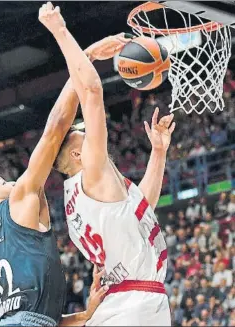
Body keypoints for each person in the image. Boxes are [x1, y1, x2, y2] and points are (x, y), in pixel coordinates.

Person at [0, 4, 129, 325]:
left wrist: (86, 314)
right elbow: (54, 130)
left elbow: (36, 317)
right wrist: (88, 56)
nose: (15, 182)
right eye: (4, 182)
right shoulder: (18, 201)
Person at [47, 3, 175, 326]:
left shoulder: (83, 194)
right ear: (78, 156)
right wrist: (71, 40)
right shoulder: (92, 171)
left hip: (125, 303)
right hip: (133, 306)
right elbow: (90, 91)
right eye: (80, 134)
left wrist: (157, 153)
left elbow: (141, 207)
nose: (86, 131)